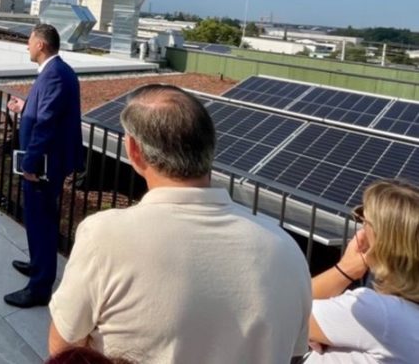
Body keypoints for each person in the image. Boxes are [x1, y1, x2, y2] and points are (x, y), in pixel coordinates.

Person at [48, 84, 311, 364]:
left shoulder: (104, 236)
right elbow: (294, 355)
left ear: (134, 151)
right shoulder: (287, 249)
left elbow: (63, 346)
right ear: (210, 147)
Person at [4, 23, 84, 309]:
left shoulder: (55, 75)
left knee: (42, 222)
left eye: (29, 41)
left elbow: (46, 124)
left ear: (41, 45)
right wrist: (24, 107)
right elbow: (45, 111)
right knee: (37, 219)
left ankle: (40, 287)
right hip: (45, 162)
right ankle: (38, 264)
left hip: (44, 165)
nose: (27, 45)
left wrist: (30, 162)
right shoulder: (56, 72)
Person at [307, 179, 419, 362]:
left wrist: (345, 270)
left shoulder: (379, 313)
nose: (360, 230)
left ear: (384, 242)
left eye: (364, 220)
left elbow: (283, 309)